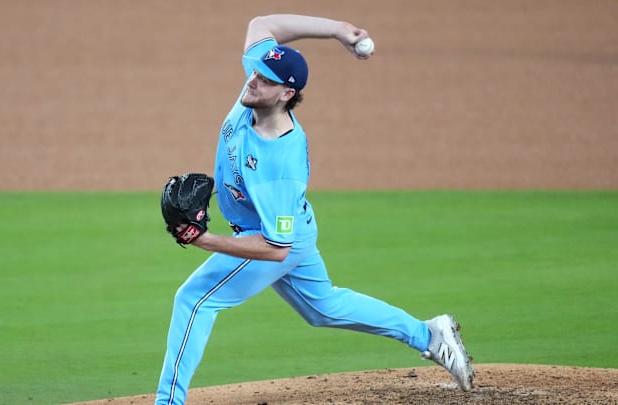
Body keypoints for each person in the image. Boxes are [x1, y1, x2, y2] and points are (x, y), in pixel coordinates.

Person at [155, 14, 474, 405]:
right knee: (322, 307)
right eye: (254, 72)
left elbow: (276, 249)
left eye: (264, 79)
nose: (251, 80)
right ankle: (428, 335)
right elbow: (262, 24)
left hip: (271, 239)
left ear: (286, 94)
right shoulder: (259, 90)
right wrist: (337, 29)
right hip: (294, 229)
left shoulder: (278, 166)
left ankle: (167, 402)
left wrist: (206, 241)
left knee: (195, 299)